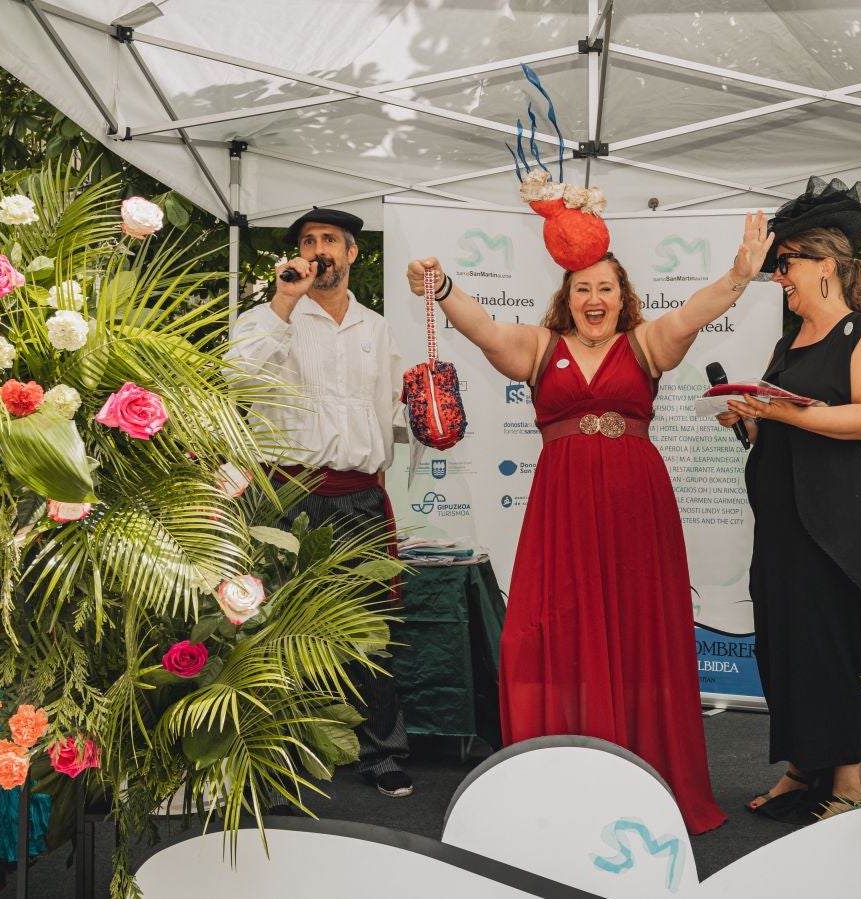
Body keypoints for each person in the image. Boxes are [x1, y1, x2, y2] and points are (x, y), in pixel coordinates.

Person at [402, 212, 773, 835]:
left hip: (636, 504)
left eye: (604, 288)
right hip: (563, 507)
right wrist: (442, 289)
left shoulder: (646, 345)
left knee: (636, 628)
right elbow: (485, 329)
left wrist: (738, 275)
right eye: (582, 289)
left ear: (622, 296)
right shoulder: (540, 348)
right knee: (554, 628)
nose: (593, 299)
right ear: (565, 298)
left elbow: (694, 313)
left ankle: (644, 773)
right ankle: (559, 776)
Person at [718, 177, 861, 822]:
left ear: (825, 265)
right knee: (788, 642)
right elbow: (785, 421)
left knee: (833, 646)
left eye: (787, 264)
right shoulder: (786, 343)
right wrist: (748, 415)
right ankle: (804, 768)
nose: (780, 277)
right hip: (785, 522)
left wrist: (789, 416)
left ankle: (850, 784)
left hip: (841, 527)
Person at [226, 207, 413, 800]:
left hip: (358, 494)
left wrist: (427, 413)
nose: (319, 248)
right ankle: (275, 758)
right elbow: (233, 378)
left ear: (353, 253)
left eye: (330, 240)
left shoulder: (376, 327)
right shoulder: (269, 316)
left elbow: (388, 412)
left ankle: (382, 753)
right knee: (279, 628)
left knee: (368, 631)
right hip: (289, 494)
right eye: (309, 241)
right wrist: (284, 301)